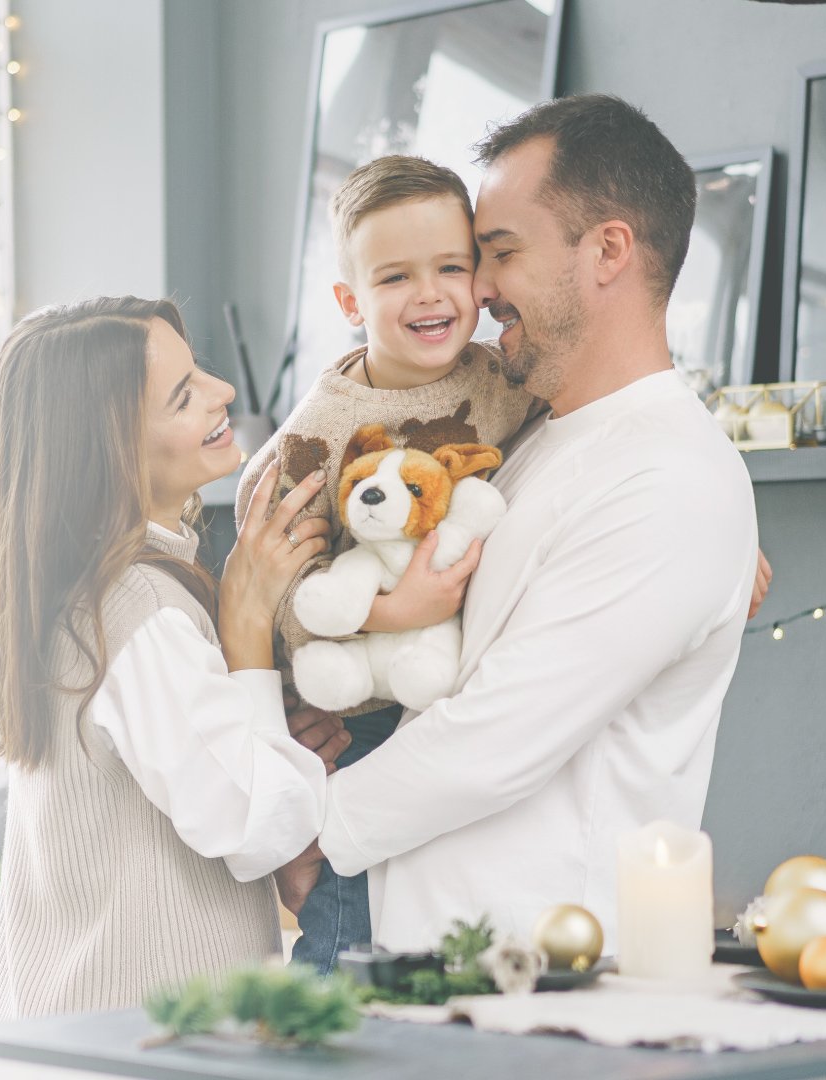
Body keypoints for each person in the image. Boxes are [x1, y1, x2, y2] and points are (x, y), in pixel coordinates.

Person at [285, 94, 762, 953]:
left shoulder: (672, 477)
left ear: (608, 250)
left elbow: (497, 737)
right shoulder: (529, 437)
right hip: (417, 952)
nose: (481, 289)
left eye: (498, 254)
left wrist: (300, 830)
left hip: (536, 975)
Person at [0, 296, 333, 1019]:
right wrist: (248, 632)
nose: (223, 392)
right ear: (110, 451)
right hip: (147, 1041)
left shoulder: (78, 595)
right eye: (184, 395)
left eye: (198, 369)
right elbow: (258, 820)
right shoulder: (138, 610)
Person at [234, 155, 541, 972]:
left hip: (453, 699)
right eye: (396, 277)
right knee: (350, 916)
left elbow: (619, 426)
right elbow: (266, 596)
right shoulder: (318, 437)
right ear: (350, 302)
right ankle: (320, 1011)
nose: (432, 294)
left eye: (451, 266)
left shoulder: (505, 377)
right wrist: (387, 611)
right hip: (356, 720)